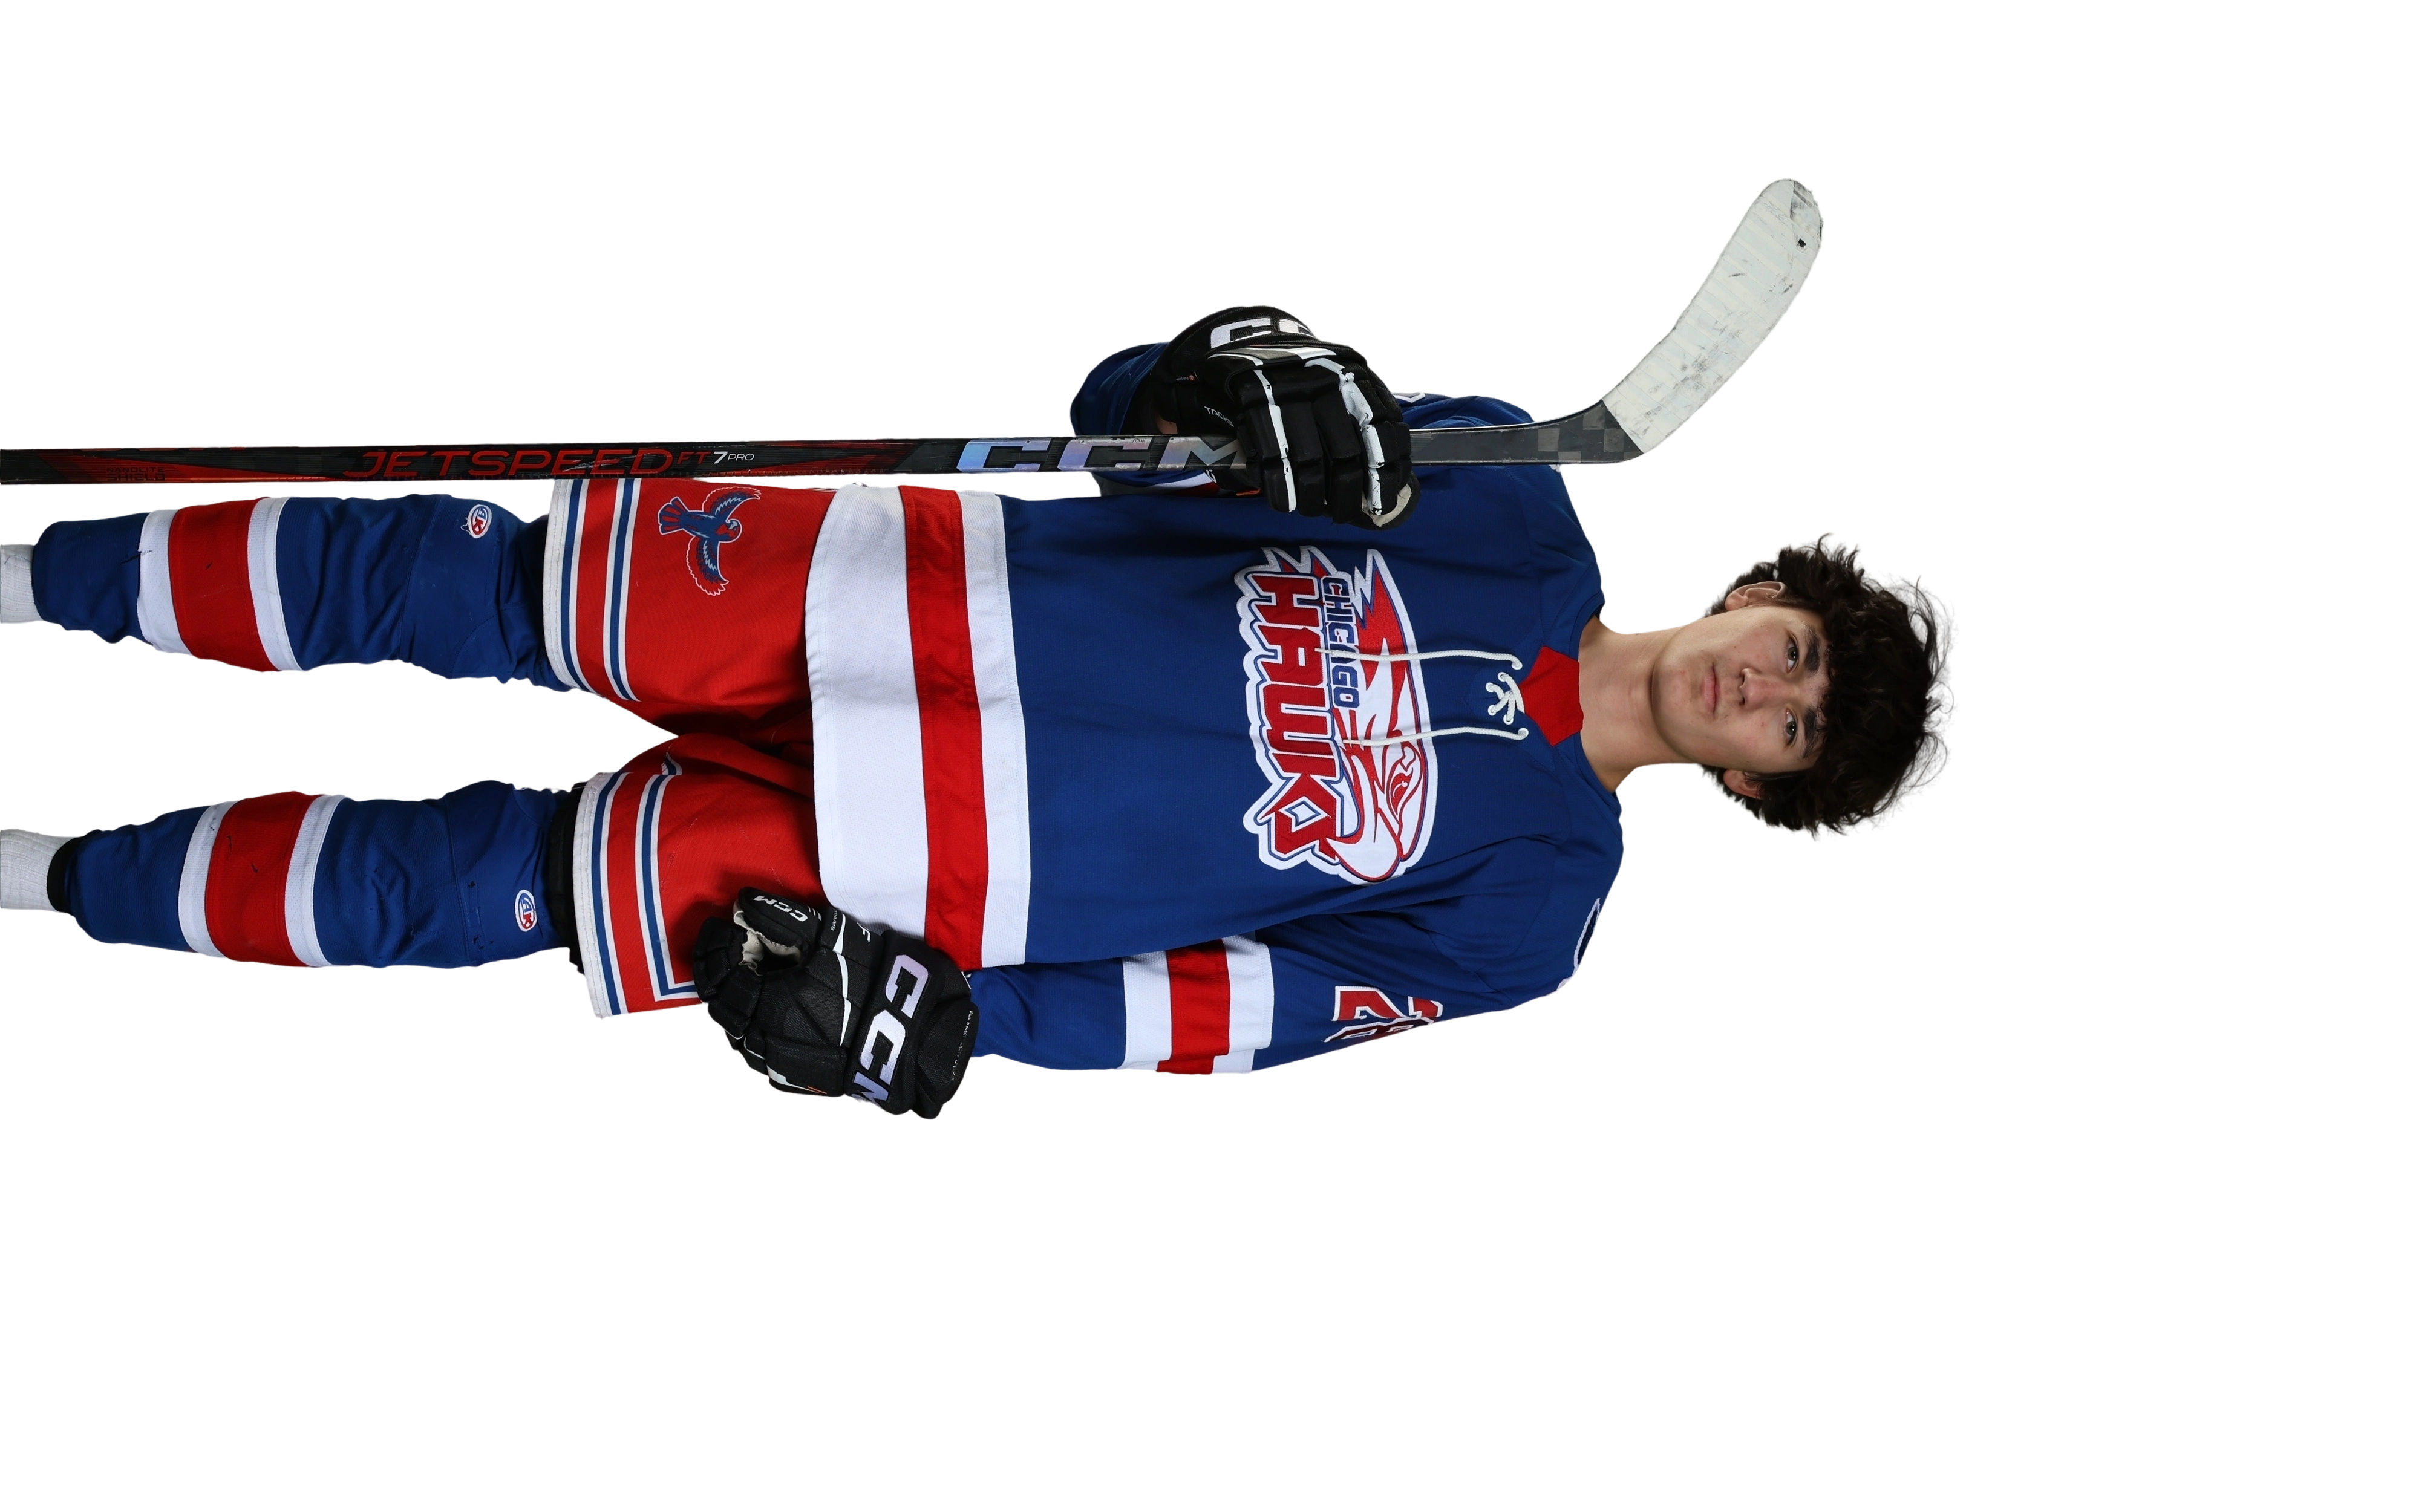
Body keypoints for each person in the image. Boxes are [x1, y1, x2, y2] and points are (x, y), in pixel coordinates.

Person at [0, 307, 1960, 1118]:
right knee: (442, 582)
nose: (1765, 689)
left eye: (1798, 731)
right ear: (1761, 590)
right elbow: (1124, 428)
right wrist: (1220, 367)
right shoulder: (1510, 500)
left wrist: (953, 1034)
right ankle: (19, 583)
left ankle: (39, 876)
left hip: (909, 878)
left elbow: (1227, 1009)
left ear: (1762, 789)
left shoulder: (1532, 918)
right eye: (1801, 648)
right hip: (884, 596)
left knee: (461, 888)